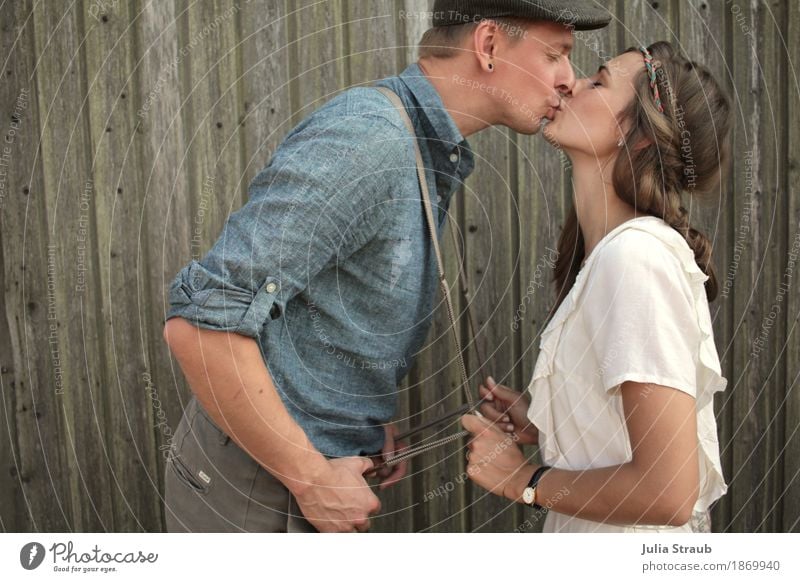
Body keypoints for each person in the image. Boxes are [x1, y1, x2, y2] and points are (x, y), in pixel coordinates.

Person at [162, 0, 611, 533]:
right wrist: (309, 475)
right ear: (489, 46)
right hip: (258, 489)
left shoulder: (422, 145)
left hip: (304, 469)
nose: (568, 79)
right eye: (556, 54)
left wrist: (355, 418)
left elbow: (332, 299)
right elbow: (199, 324)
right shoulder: (370, 141)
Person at [462, 41, 732, 533]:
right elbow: (634, 441)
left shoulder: (636, 258)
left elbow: (668, 492)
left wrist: (525, 479)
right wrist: (552, 422)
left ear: (642, 137)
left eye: (599, 81)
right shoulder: (610, 256)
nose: (570, 82)